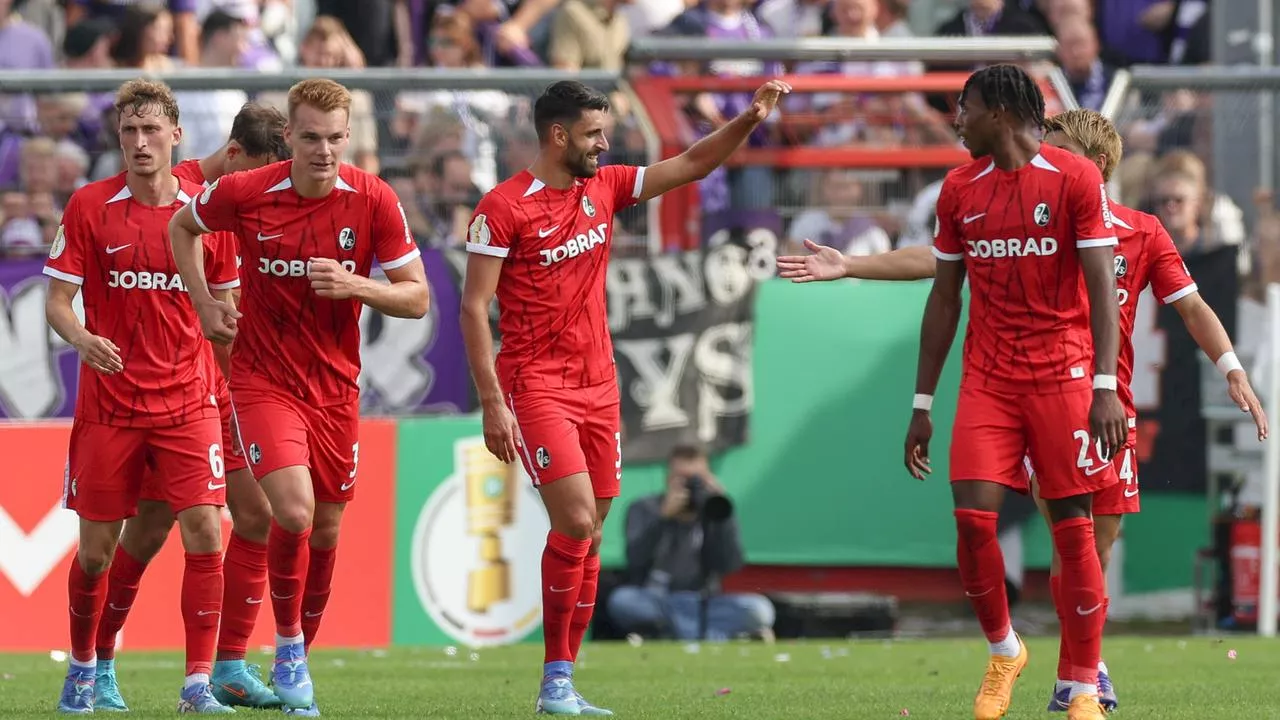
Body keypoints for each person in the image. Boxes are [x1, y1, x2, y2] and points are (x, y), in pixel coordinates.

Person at [778, 107, 1270, 713]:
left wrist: (1232, 369)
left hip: (1109, 403)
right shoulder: (1027, 220)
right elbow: (940, 263)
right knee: (1073, 535)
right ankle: (1079, 679)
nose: (1038, 157)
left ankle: (1082, 663)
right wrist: (852, 264)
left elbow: (1192, 306)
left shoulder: (1140, 231)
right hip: (1047, 395)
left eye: (1054, 147)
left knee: (1101, 541)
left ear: (1094, 164)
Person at [459, 77, 791, 716]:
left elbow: (692, 164)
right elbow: (475, 308)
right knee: (577, 520)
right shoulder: (501, 208)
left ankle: (565, 679)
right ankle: (555, 683)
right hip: (536, 386)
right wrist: (492, 401)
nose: (605, 144)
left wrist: (748, 119)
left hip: (601, 386)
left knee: (592, 528)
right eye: (593, 134)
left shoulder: (604, 187)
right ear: (558, 135)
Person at [167, 78, 430, 715]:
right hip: (261, 380)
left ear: (349, 137)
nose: (323, 150)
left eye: (335, 139)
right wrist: (203, 300)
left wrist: (356, 286)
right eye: (310, 137)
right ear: (289, 137)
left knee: (327, 528)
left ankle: (297, 658)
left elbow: (417, 296)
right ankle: (287, 649)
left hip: (336, 389)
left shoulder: (374, 199)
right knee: (294, 511)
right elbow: (182, 226)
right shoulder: (247, 191)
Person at [88, 102, 291, 713]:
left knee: (253, 514)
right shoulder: (196, 200)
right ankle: (97, 661)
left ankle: (226, 665)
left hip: (219, 389)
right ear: (235, 157)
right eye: (262, 176)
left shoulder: (230, 199)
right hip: (176, 390)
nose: (270, 193)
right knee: (148, 530)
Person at [44, 79, 237, 714]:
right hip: (111, 405)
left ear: (176, 136)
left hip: (188, 400)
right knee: (96, 552)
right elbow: (56, 301)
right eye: (128, 131)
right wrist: (82, 338)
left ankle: (196, 684)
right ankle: (84, 667)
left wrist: (231, 365)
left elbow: (227, 306)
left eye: (151, 130)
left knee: (206, 532)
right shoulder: (90, 207)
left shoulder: (209, 214)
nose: (139, 142)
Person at [606, 445, 775, 641]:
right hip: (658, 598)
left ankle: (666, 635)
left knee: (760, 610)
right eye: (683, 480)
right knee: (622, 601)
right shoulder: (644, 508)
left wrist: (721, 516)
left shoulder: (715, 513)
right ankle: (714, 635)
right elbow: (635, 559)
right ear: (668, 479)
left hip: (703, 601)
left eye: (697, 480)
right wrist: (663, 518)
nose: (690, 487)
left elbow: (730, 565)